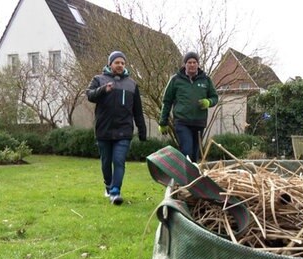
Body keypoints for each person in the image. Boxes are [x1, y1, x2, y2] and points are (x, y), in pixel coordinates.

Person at [86, 51, 147, 205]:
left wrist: (142, 130)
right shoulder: (98, 79)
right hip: (104, 130)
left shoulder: (132, 84)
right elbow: (89, 95)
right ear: (109, 64)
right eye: (117, 62)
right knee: (106, 162)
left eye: (122, 63)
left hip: (124, 131)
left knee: (119, 161)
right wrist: (103, 90)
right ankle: (108, 185)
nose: (120, 65)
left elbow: (138, 111)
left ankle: (115, 192)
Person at [158, 51, 218, 162]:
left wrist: (208, 102)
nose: (192, 65)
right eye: (189, 62)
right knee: (187, 151)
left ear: (198, 64)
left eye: (194, 62)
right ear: (185, 64)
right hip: (182, 122)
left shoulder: (206, 80)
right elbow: (167, 101)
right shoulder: (175, 80)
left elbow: (215, 97)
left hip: (199, 122)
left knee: (195, 154)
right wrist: (163, 122)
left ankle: (191, 178)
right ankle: (184, 176)